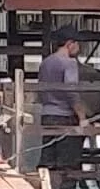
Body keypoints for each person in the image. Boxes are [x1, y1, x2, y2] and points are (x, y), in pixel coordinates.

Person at [35, 34, 88, 177]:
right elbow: (71, 91)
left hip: (47, 114)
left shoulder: (45, 63)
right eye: (77, 45)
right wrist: (82, 117)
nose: (78, 49)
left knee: (48, 157)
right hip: (65, 116)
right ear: (70, 43)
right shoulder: (69, 63)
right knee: (67, 162)